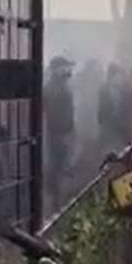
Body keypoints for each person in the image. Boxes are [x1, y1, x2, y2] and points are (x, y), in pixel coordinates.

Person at [43, 57, 76, 206]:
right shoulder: (53, 88)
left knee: (59, 164)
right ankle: (55, 200)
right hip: (57, 132)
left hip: (62, 132)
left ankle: (56, 197)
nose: (68, 71)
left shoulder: (60, 86)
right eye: (65, 67)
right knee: (57, 165)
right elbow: (55, 113)